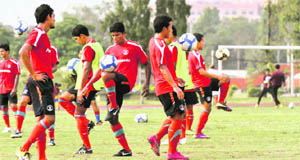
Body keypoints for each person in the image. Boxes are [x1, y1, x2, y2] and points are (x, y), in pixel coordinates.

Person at [82, 22, 151, 156]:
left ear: (124, 34)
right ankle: (126, 150)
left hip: (126, 82)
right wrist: (87, 85)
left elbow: (147, 64)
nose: (115, 38)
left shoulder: (134, 47)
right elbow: (100, 70)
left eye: (117, 35)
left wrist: (146, 84)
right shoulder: (110, 50)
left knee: (106, 75)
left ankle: (113, 107)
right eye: (113, 36)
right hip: (112, 87)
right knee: (113, 120)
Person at [16, 4, 56, 160]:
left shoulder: (43, 35)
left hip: (40, 79)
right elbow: (23, 52)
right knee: (49, 119)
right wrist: (34, 74)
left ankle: (42, 157)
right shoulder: (38, 32)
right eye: (53, 16)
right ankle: (23, 148)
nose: (54, 19)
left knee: (41, 120)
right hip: (41, 80)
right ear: (47, 17)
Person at [147, 15, 188, 160]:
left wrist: (176, 79)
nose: (171, 30)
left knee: (177, 115)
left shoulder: (154, 42)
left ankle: (156, 138)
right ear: (164, 28)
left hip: (164, 85)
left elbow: (163, 68)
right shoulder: (161, 45)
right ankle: (172, 153)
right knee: (179, 116)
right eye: (170, 27)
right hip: (166, 88)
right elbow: (162, 67)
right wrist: (175, 87)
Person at [11, 46, 59, 147]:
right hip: (32, 80)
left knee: (44, 112)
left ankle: (50, 138)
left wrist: (46, 72)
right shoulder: (32, 48)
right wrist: (33, 73)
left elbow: (55, 66)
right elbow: (25, 58)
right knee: (23, 101)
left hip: (43, 81)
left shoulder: (52, 49)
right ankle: (18, 130)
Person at [70, 24, 104, 154]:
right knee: (64, 99)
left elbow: (86, 69)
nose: (76, 42)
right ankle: (88, 123)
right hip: (90, 84)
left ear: (82, 36)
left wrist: (81, 90)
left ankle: (86, 147)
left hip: (88, 85)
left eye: (76, 39)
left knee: (78, 115)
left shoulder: (88, 48)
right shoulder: (97, 45)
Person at [188, 33, 229, 139]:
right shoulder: (195, 54)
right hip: (202, 85)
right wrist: (217, 76)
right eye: (203, 41)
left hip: (206, 82)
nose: (203, 43)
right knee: (207, 108)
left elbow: (192, 71)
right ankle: (198, 133)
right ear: (197, 42)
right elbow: (201, 72)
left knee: (226, 78)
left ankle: (220, 102)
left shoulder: (194, 54)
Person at [163, 26, 198, 144]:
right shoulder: (181, 46)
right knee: (180, 110)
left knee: (174, 112)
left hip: (175, 82)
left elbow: (170, 65)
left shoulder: (173, 47)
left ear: (170, 33)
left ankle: (174, 137)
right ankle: (181, 136)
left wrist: (171, 80)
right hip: (182, 81)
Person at [0, 42, 20, 133]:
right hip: (1, 90)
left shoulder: (14, 62)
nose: (1, 53)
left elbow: (17, 75)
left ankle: (18, 127)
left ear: (8, 52)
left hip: (11, 89)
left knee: (13, 106)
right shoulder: (0, 63)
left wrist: (15, 88)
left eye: (2, 51)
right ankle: (8, 127)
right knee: (4, 107)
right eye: (0, 52)